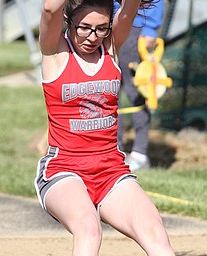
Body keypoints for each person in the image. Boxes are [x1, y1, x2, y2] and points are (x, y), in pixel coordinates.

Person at [34, 0, 175, 255]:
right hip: (64, 169)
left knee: (155, 231)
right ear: (69, 22)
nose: (92, 36)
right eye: (84, 28)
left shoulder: (110, 48)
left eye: (101, 28)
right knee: (89, 229)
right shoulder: (54, 51)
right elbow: (49, 9)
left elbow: (130, 7)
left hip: (111, 169)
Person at [115, 0, 165, 171]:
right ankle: (115, 149)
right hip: (108, 23)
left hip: (135, 28)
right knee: (110, 92)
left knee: (137, 91)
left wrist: (150, 27)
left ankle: (140, 153)